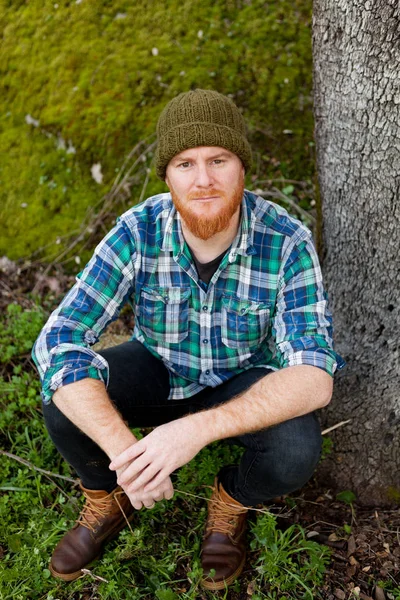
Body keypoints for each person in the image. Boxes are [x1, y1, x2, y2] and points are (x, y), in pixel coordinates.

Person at [32, 89, 345, 590]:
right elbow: (58, 339)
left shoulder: (286, 241)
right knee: (63, 395)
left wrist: (193, 432)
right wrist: (124, 452)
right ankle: (108, 494)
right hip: (159, 366)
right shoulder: (138, 230)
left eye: (218, 160)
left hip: (239, 380)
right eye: (185, 163)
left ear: (243, 168)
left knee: (295, 448)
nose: (203, 180)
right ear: (167, 174)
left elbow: (314, 375)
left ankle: (232, 499)